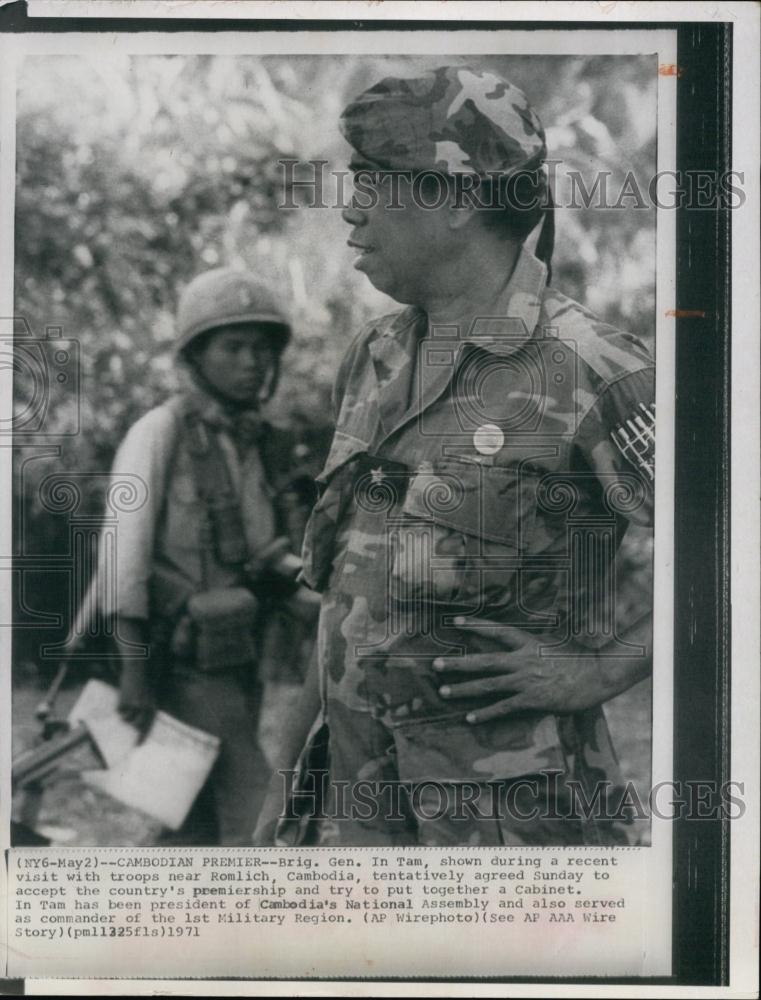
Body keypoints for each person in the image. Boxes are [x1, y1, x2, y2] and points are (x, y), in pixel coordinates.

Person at [256, 65, 655, 848]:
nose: (350, 208)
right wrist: (282, 786)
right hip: (354, 818)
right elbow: (347, 598)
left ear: (458, 198)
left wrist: (602, 669)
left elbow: (732, 553)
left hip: (505, 833)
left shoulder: (593, 367)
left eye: (372, 180)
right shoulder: (372, 357)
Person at [101, 267, 315, 846]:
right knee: (256, 807)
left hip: (238, 654)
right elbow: (124, 561)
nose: (252, 362)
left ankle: (150, 932)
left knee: (186, 819)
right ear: (196, 356)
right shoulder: (159, 433)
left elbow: (263, 553)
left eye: (261, 349)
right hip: (180, 662)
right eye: (234, 347)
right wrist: (133, 671)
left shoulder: (256, 444)